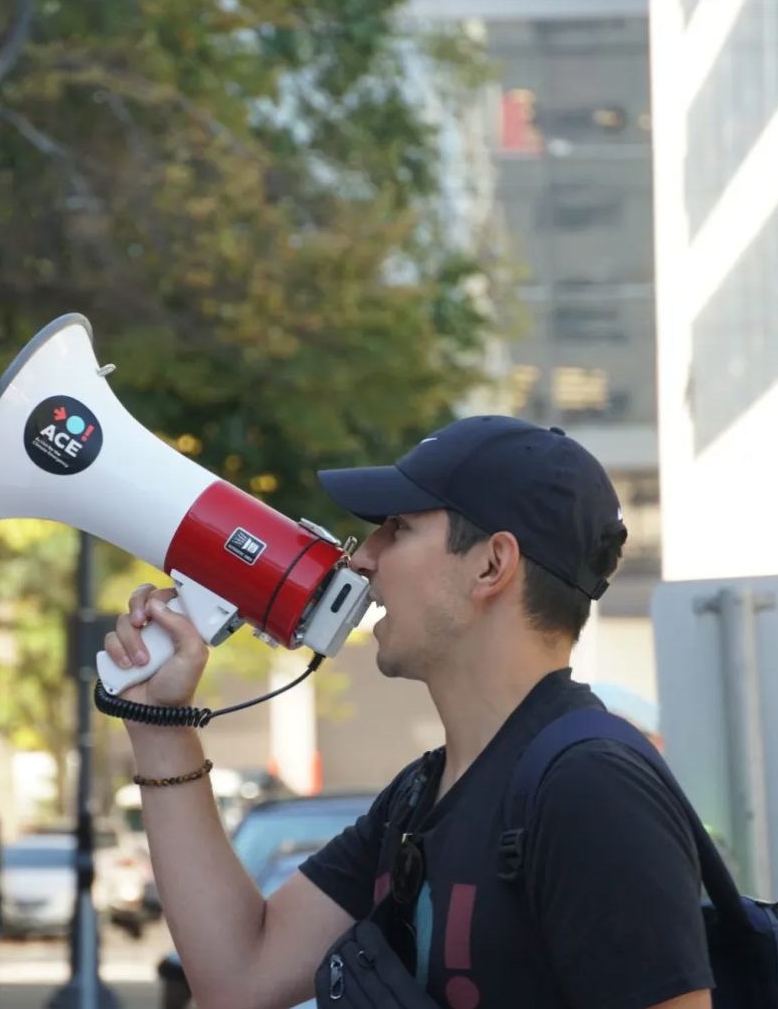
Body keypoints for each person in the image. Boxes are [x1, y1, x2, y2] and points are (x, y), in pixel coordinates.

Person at [102, 415, 713, 1009]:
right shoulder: (420, 797)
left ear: (491, 565)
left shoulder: (592, 789)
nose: (363, 559)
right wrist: (160, 725)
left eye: (398, 528)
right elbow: (239, 978)